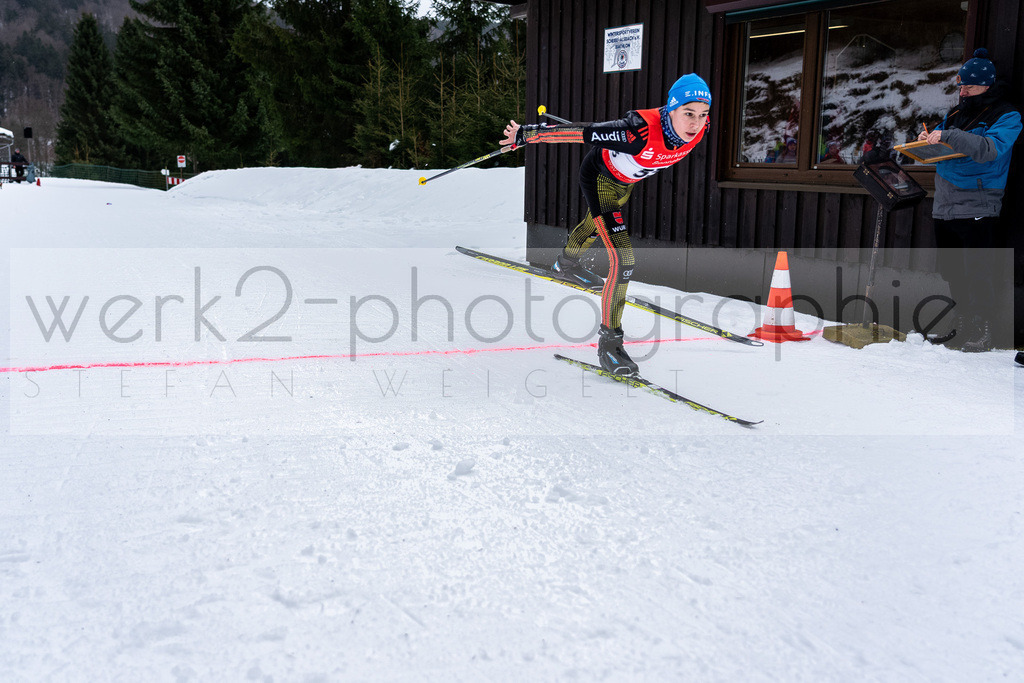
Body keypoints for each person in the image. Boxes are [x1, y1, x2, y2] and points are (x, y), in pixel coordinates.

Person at [500, 73, 712, 375]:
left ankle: (566, 263)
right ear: (671, 110)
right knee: (623, 259)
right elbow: (583, 133)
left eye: (703, 115)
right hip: (600, 178)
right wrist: (528, 133)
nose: (696, 123)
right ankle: (610, 344)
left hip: (624, 183)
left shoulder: (698, 129)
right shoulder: (637, 131)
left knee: (594, 224)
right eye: (688, 113)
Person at [917, 48, 1022, 352]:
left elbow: (989, 149)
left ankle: (982, 329)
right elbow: (941, 135)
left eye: (969, 87)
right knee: (953, 271)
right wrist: (926, 140)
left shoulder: (1008, 115)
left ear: (987, 85)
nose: (963, 92)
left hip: (979, 202)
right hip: (945, 203)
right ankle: (961, 324)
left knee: (978, 271)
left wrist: (947, 136)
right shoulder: (954, 113)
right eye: (960, 85)